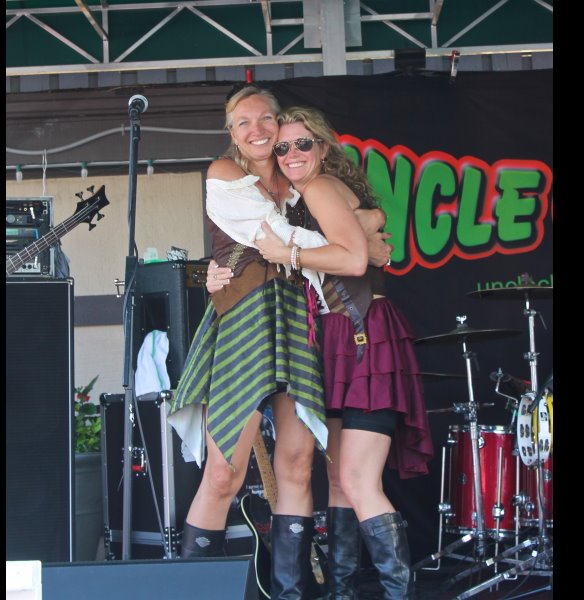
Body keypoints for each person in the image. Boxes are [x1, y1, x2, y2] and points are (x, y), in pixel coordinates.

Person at [167, 85, 388, 600]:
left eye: (265, 118)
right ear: (231, 132)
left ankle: (291, 593)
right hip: (244, 320)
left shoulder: (299, 179)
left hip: (298, 320)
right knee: (224, 472)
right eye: (243, 122)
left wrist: (364, 224)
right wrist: (354, 243)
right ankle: (190, 592)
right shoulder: (225, 172)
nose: (258, 129)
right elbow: (276, 236)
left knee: (296, 466)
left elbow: (362, 211)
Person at [251, 106, 434, 599]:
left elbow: (353, 261)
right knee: (337, 480)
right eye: (282, 147)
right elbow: (363, 233)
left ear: (323, 147)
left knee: (355, 479)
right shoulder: (300, 197)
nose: (291, 153)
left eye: (302, 143)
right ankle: (342, 593)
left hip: (360, 336)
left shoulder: (320, 187)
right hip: (332, 340)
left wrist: (286, 254)